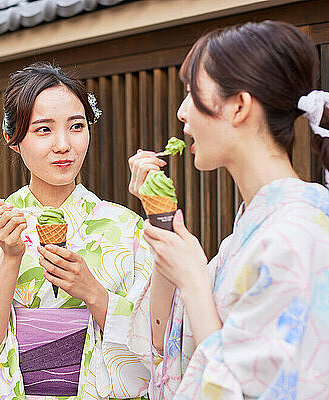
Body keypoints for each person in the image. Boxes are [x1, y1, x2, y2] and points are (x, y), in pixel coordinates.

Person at [0, 63, 174, 400]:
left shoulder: (125, 225)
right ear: (13, 139)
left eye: (76, 126)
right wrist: (10, 257)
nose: (63, 144)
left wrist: (92, 291)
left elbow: (160, 339)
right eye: (43, 130)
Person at [127, 20, 329, 399]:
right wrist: (164, 229)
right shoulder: (255, 226)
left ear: (239, 106)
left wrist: (192, 280)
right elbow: (162, 340)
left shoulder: (298, 233)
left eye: (192, 92)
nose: (182, 111)